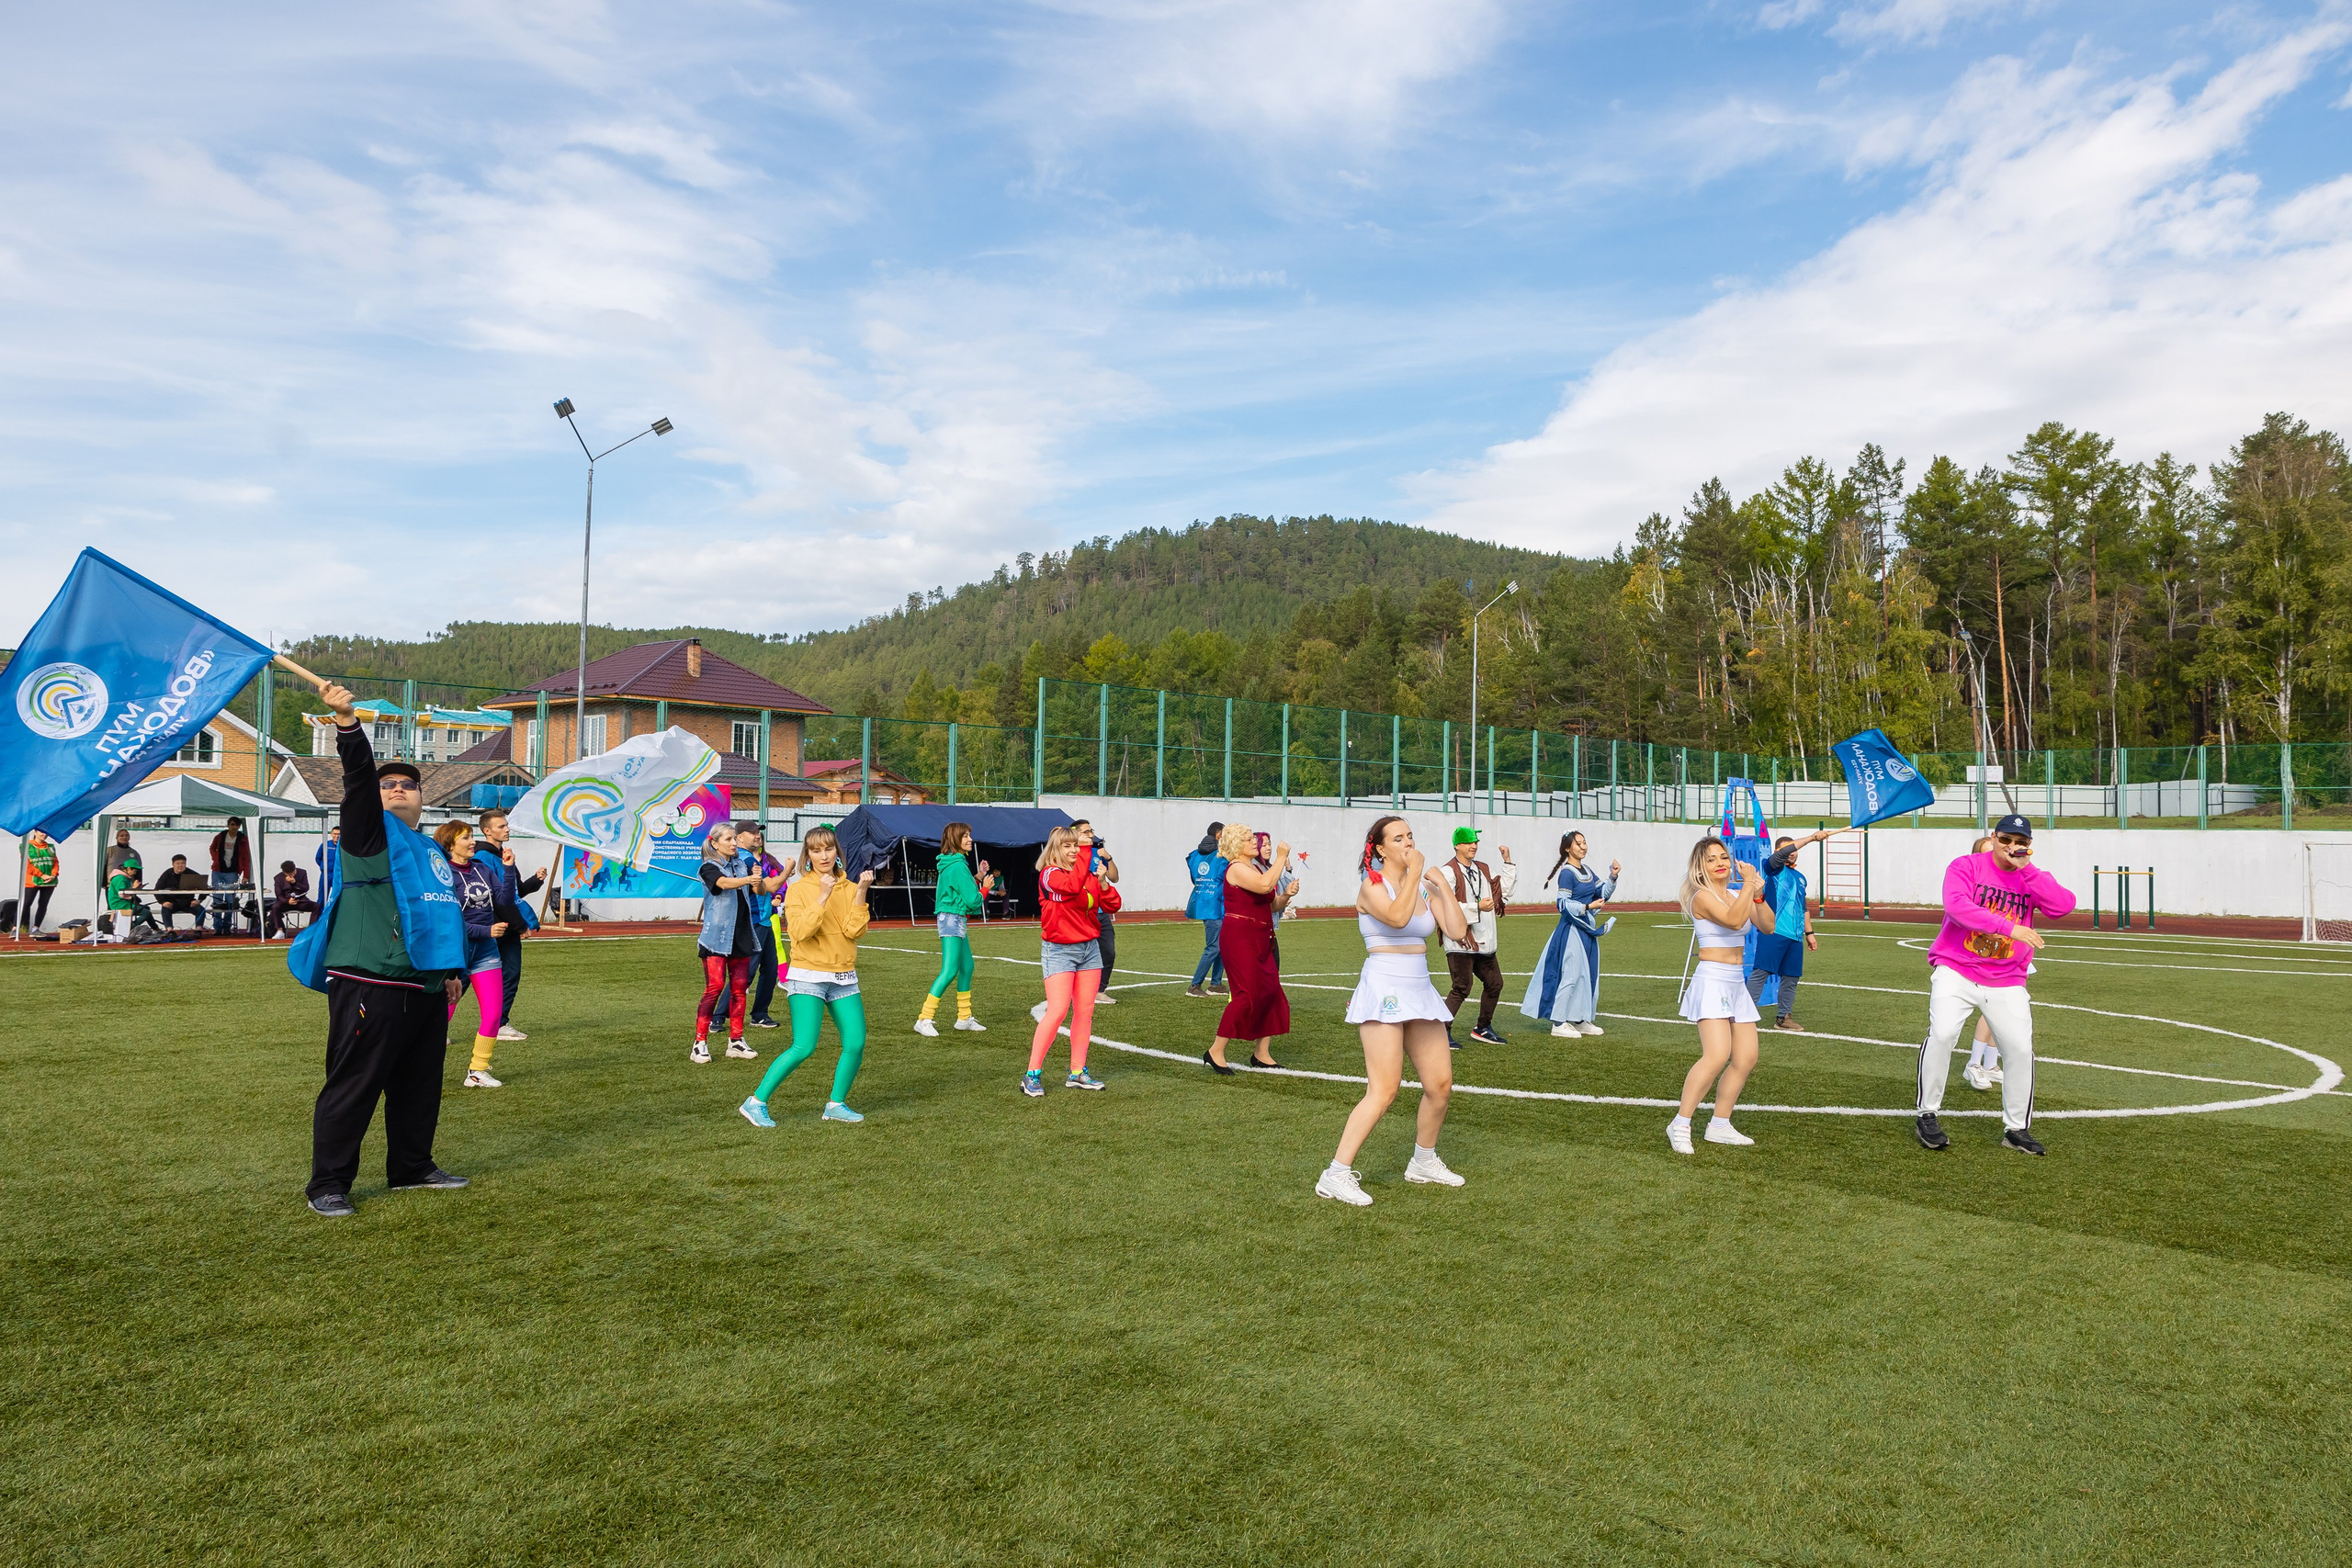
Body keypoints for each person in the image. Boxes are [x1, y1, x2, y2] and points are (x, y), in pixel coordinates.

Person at [292, 681, 470, 1219]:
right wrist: (348, 723)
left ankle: (411, 1167)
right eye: (387, 784)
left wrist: (452, 971)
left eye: (408, 786)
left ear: (423, 798)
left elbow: (442, 913)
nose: (397, 790)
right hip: (371, 977)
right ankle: (329, 1182)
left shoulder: (428, 848)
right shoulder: (367, 833)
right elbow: (356, 784)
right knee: (355, 1084)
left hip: (425, 985)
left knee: (419, 1085)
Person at [1317, 815, 1475, 1206]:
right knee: (1384, 1090)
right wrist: (1418, 870)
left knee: (1439, 1086)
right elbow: (1399, 917)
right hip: (1383, 987)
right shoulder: (1371, 886)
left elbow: (1455, 931)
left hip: (1419, 988)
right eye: (1399, 838)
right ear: (1380, 848)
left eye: (1411, 837)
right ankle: (1335, 1174)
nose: (1408, 843)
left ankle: (1423, 1160)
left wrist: (1441, 885)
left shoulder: (1422, 885)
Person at [1914, 814, 2078, 1156]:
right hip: (1956, 968)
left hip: (2006, 978)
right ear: (1994, 836)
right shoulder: (1967, 865)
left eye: (2020, 842)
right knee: (1942, 1035)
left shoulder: (2030, 876)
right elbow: (1957, 907)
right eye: (2006, 840)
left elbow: (2064, 906)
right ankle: (1927, 1113)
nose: (2011, 847)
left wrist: (2028, 870)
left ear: (2028, 846)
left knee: (2019, 1049)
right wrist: (2010, 928)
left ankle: (2016, 1128)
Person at [743, 826, 875, 1124]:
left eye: (828, 849)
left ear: (837, 852)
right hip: (808, 977)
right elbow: (801, 932)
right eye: (816, 850)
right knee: (804, 1046)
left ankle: (836, 1104)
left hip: (843, 976)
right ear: (808, 855)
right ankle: (755, 1101)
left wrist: (862, 893)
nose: (823, 855)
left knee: (855, 1042)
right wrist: (823, 896)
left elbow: (856, 931)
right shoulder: (800, 888)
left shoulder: (852, 886)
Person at [1668, 837, 1778, 1154]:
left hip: (1734, 981)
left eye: (1724, 857)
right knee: (1716, 1055)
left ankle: (1719, 1124)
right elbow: (1732, 920)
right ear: (1700, 866)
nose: (1721, 863)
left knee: (1746, 1058)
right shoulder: (1701, 897)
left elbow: (1767, 926)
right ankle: (1680, 1123)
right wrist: (1748, 885)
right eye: (1712, 859)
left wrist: (1756, 895)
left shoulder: (1735, 894)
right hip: (1712, 980)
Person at [1023, 825, 1117, 1096]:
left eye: (1077, 845)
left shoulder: (1084, 873)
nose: (1075, 849)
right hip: (1060, 950)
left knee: (1085, 1012)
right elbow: (1071, 887)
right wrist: (1089, 852)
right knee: (1057, 1011)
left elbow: (1112, 905)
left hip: (1089, 949)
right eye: (1068, 845)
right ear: (1055, 849)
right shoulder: (1050, 874)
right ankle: (1031, 1074)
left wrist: (1102, 883)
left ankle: (1077, 1072)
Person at [1204, 822, 1294, 1073]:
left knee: (1271, 993)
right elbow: (1266, 886)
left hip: (1260, 936)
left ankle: (1261, 1053)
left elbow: (1271, 903)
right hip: (1240, 938)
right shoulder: (1236, 868)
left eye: (1252, 837)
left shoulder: (1252, 868)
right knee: (1246, 997)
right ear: (1235, 846)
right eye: (1247, 839)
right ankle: (1216, 1050)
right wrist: (1281, 858)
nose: (1254, 841)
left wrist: (1286, 895)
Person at [692, 823, 782, 1065]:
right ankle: (699, 1043)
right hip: (716, 939)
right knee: (715, 987)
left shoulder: (741, 864)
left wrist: (761, 880)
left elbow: (758, 889)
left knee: (740, 990)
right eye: (728, 839)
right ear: (715, 843)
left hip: (742, 936)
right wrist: (748, 878)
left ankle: (736, 1041)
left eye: (734, 839)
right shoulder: (708, 867)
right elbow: (722, 884)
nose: (733, 843)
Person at [434, 822, 513, 1089]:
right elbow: (449, 920)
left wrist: (510, 870)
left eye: (471, 836)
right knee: (441, 1012)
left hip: (485, 951)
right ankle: (416, 1068)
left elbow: (503, 901)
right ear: (449, 844)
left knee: (492, 1013)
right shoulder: (442, 873)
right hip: (456, 951)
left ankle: (477, 1071)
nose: (472, 842)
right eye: (466, 837)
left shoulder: (483, 868)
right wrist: (485, 929)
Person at [1744, 827, 1845, 1032]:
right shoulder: (1772, 868)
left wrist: (1809, 933)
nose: (1792, 852)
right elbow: (1781, 855)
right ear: (1777, 852)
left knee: (1791, 977)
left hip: (1794, 936)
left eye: (1794, 849)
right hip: (1773, 931)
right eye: (1787, 849)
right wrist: (1810, 838)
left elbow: (1803, 906)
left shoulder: (1800, 877)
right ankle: (1744, 1016)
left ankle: (1783, 1018)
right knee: (1760, 973)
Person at [1521, 830, 1620, 1038]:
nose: (1583, 847)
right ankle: (1558, 1022)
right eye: (1578, 844)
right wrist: (1587, 906)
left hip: (1586, 930)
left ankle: (1580, 1018)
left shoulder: (1586, 870)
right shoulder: (1567, 873)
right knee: (1572, 975)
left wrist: (1613, 876)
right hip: (1572, 930)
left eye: (1584, 843)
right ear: (1568, 848)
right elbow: (1562, 904)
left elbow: (1602, 893)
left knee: (1587, 974)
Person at [1440, 826, 1518, 1047]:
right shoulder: (1448, 872)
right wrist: (1476, 907)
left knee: (1495, 984)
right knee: (1462, 986)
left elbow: (1504, 891)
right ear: (1457, 845)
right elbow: (1446, 905)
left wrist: (1508, 862)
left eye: (1475, 841)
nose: (1473, 845)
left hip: (1485, 940)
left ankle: (1483, 1027)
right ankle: (1440, 1030)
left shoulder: (1483, 868)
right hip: (1460, 940)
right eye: (1468, 842)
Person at [914, 821, 994, 1036]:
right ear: (955, 840)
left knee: (967, 967)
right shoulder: (958, 865)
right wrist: (985, 889)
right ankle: (924, 1018)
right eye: (965, 836)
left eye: (969, 835)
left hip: (953, 918)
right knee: (949, 970)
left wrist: (978, 876)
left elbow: (961, 886)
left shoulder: (952, 862)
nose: (970, 839)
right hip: (952, 919)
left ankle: (964, 1017)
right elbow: (973, 900)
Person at [476, 809, 547, 1042]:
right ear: (487, 831)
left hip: (506, 925)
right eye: (501, 826)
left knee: (510, 973)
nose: (507, 829)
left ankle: (500, 1023)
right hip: (493, 926)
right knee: (465, 977)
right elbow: (496, 898)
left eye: (507, 825)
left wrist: (536, 880)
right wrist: (518, 924)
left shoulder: (504, 854)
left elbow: (515, 891)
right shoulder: (484, 857)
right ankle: (438, 1024)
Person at [1073, 819, 1120, 1004]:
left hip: (1101, 912)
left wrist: (1108, 858)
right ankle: (1074, 989)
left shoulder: (1097, 854)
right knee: (1078, 953)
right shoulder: (1070, 853)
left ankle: (1100, 990)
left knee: (1109, 952)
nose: (1091, 834)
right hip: (1081, 913)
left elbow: (1114, 878)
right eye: (1086, 832)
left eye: (1091, 831)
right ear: (1076, 834)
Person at [1182, 821, 1227, 998]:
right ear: (1218, 835)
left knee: (1220, 945)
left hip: (1202, 902)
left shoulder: (1194, 855)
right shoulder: (1221, 856)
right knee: (1214, 947)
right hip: (1215, 905)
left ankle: (1216, 984)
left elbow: (1194, 878)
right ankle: (1194, 986)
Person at [209, 816, 253, 935]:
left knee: (230, 900)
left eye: (237, 825)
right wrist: (216, 859)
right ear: (228, 825)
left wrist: (246, 875)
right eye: (232, 824)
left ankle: (227, 927)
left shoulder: (243, 839)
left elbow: (245, 858)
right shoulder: (220, 836)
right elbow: (212, 848)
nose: (234, 827)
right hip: (217, 870)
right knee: (217, 899)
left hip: (232, 872)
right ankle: (217, 927)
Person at [154, 854, 209, 931]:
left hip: (188, 903)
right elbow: (157, 889)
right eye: (178, 863)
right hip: (172, 903)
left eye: (183, 863)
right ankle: (170, 930)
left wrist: (199, 900)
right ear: (173, 864)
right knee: (165, 909)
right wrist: (163, 902)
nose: (180, 865)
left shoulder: (191, 874)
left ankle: (198, 930)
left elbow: (205, 887)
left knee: (201, 910)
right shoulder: (167, 874)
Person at [18, 829, 58, 935]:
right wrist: (41, 875)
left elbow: (55, 862)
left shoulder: (50, 847)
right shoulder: (26, 846)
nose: (44, 834)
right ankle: (15, 928)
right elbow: (26, 865)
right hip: (32, 881)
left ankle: (36, 928)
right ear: (35, 832)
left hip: (49, 881)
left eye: (46, 832)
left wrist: (53, 875)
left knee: (43, 904)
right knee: (26, 904)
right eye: (41, 832)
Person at [266, 861, 319, 939]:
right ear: (284, 872)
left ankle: (311, 930)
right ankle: (280, 930)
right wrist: (288, 901)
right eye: (289, 874)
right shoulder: (278, 878)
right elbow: (279, 895)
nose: (292, 875)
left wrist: (295, 882)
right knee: (275, 907)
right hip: (286, 902)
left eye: (293, 873)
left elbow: (306, 888)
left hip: (300, 901)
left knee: (316, 906)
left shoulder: (302, 873)